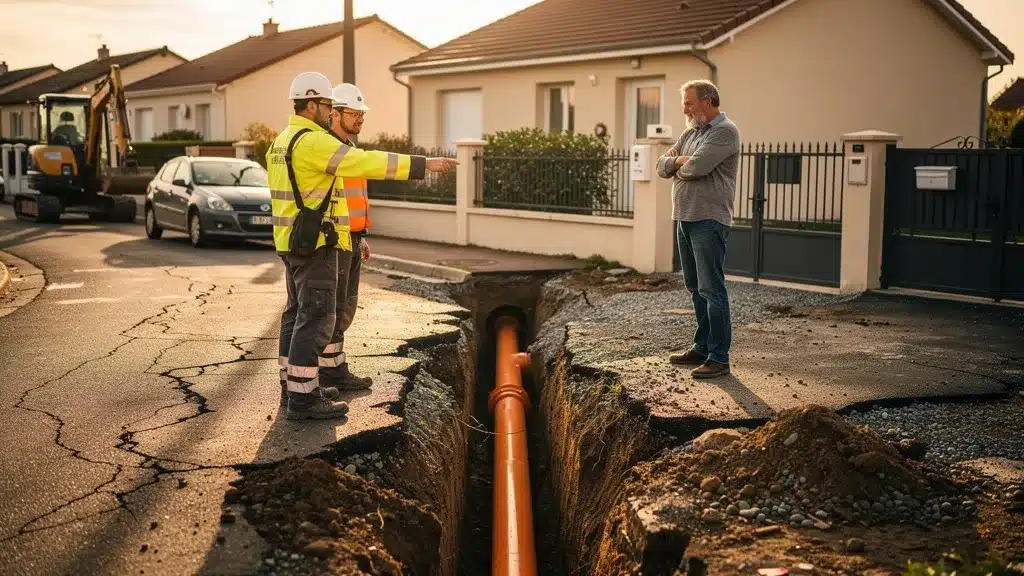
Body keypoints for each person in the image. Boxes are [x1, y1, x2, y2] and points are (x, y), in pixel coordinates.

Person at [270, 72, 457, 420]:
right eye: (327, 105)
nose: (330, 112)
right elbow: (367, 161)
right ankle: (303, 401)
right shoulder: (313, 141)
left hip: (292, 242)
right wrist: (424, 164)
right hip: (317, 246)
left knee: (296, 316)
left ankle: (294, 389)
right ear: (312, 104)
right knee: (315, 319)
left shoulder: (282, 140)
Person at [656, 79, 740, 379]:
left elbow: (697, 168)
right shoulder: (691, 132)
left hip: (709, 220)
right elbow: (661, 165)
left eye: (690, 102)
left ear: (707, 101)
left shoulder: (725, 132)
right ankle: (702, 347)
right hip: (685, 218)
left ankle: (719, 357)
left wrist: (678, 165)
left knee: (712, 289)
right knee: (694, 287)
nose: (685, 108)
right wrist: (677, 161)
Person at [316, 83, 377, 389]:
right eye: (353, 113)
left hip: (351, 237)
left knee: (346, 306)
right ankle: (330, 371)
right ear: (335, 114)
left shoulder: (351, 151)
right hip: (334, 240)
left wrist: (360, 235)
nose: (359, 119)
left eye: (361, 114)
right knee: (334, 307)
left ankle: (334, 367)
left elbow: (352, 198)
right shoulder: (326, 150)